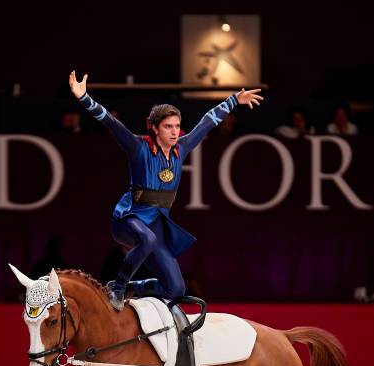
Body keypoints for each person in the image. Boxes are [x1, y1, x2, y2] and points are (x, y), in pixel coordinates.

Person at [69, 70, 263, 310]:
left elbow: (207, 121)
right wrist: (83, 98)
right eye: (168, 126)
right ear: (154, 128)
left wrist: (234, 100)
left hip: (156, 225)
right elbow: (109, 120)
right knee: (147, 239)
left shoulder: (182, 148)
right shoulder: (137, 146)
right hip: (128, 219)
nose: (174, 131)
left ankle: (132, 288)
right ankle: (118, 287)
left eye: (177, 126)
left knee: (176, 289)